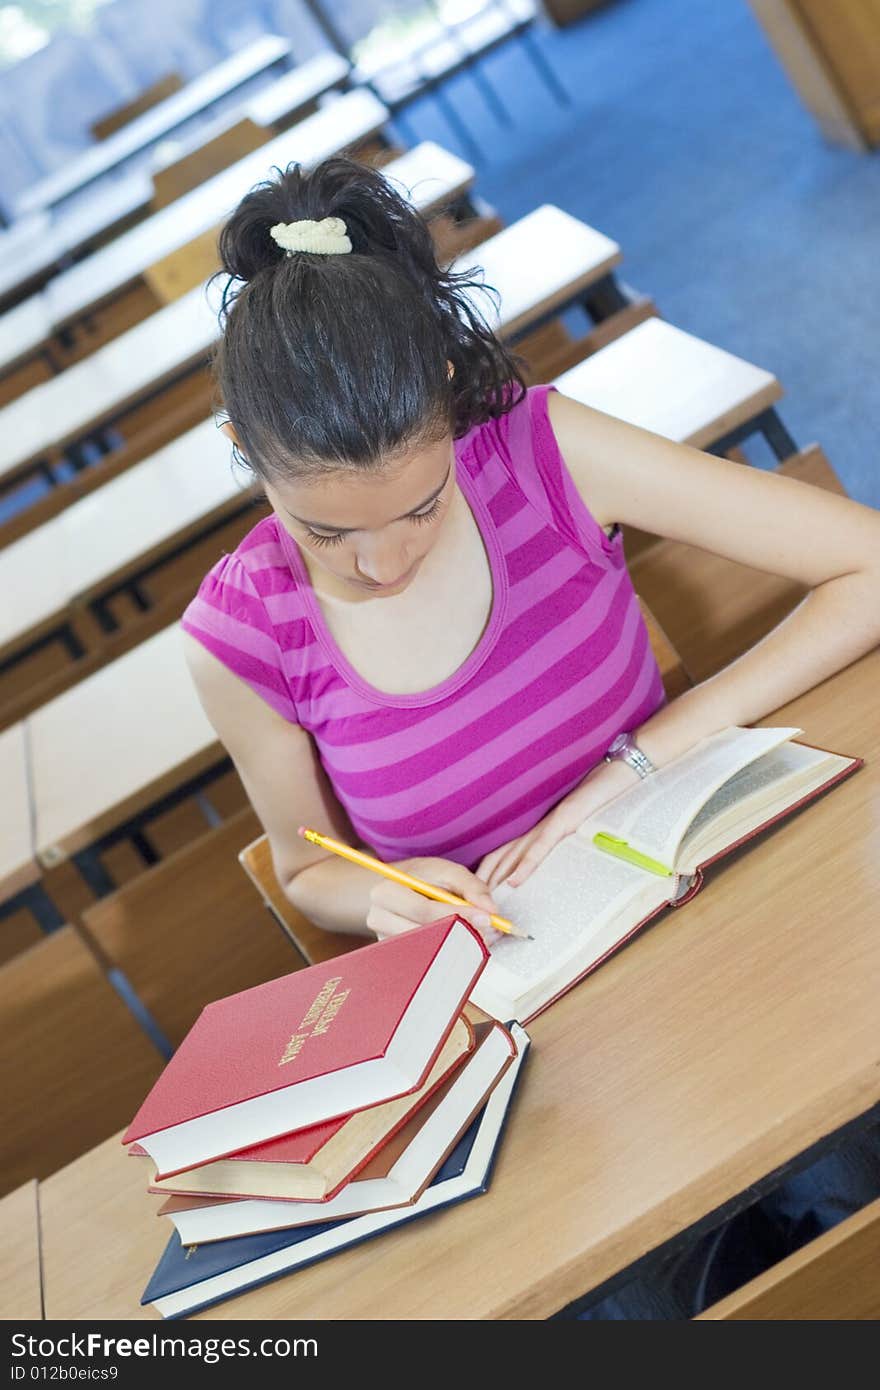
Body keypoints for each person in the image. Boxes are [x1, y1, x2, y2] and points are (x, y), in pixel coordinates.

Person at [180, 155, 880, 1315]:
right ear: (248, 460)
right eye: (324, 531)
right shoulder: (240, 633)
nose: (381, 560)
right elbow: (304, 862)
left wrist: (634, 763)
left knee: (842, 1149)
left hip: (712, 909)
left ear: (451, 400)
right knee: (615, 1301)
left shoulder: (539, 451)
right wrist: (379, 896)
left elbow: (865, 564)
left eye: (419, 506)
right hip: (542, 1028)